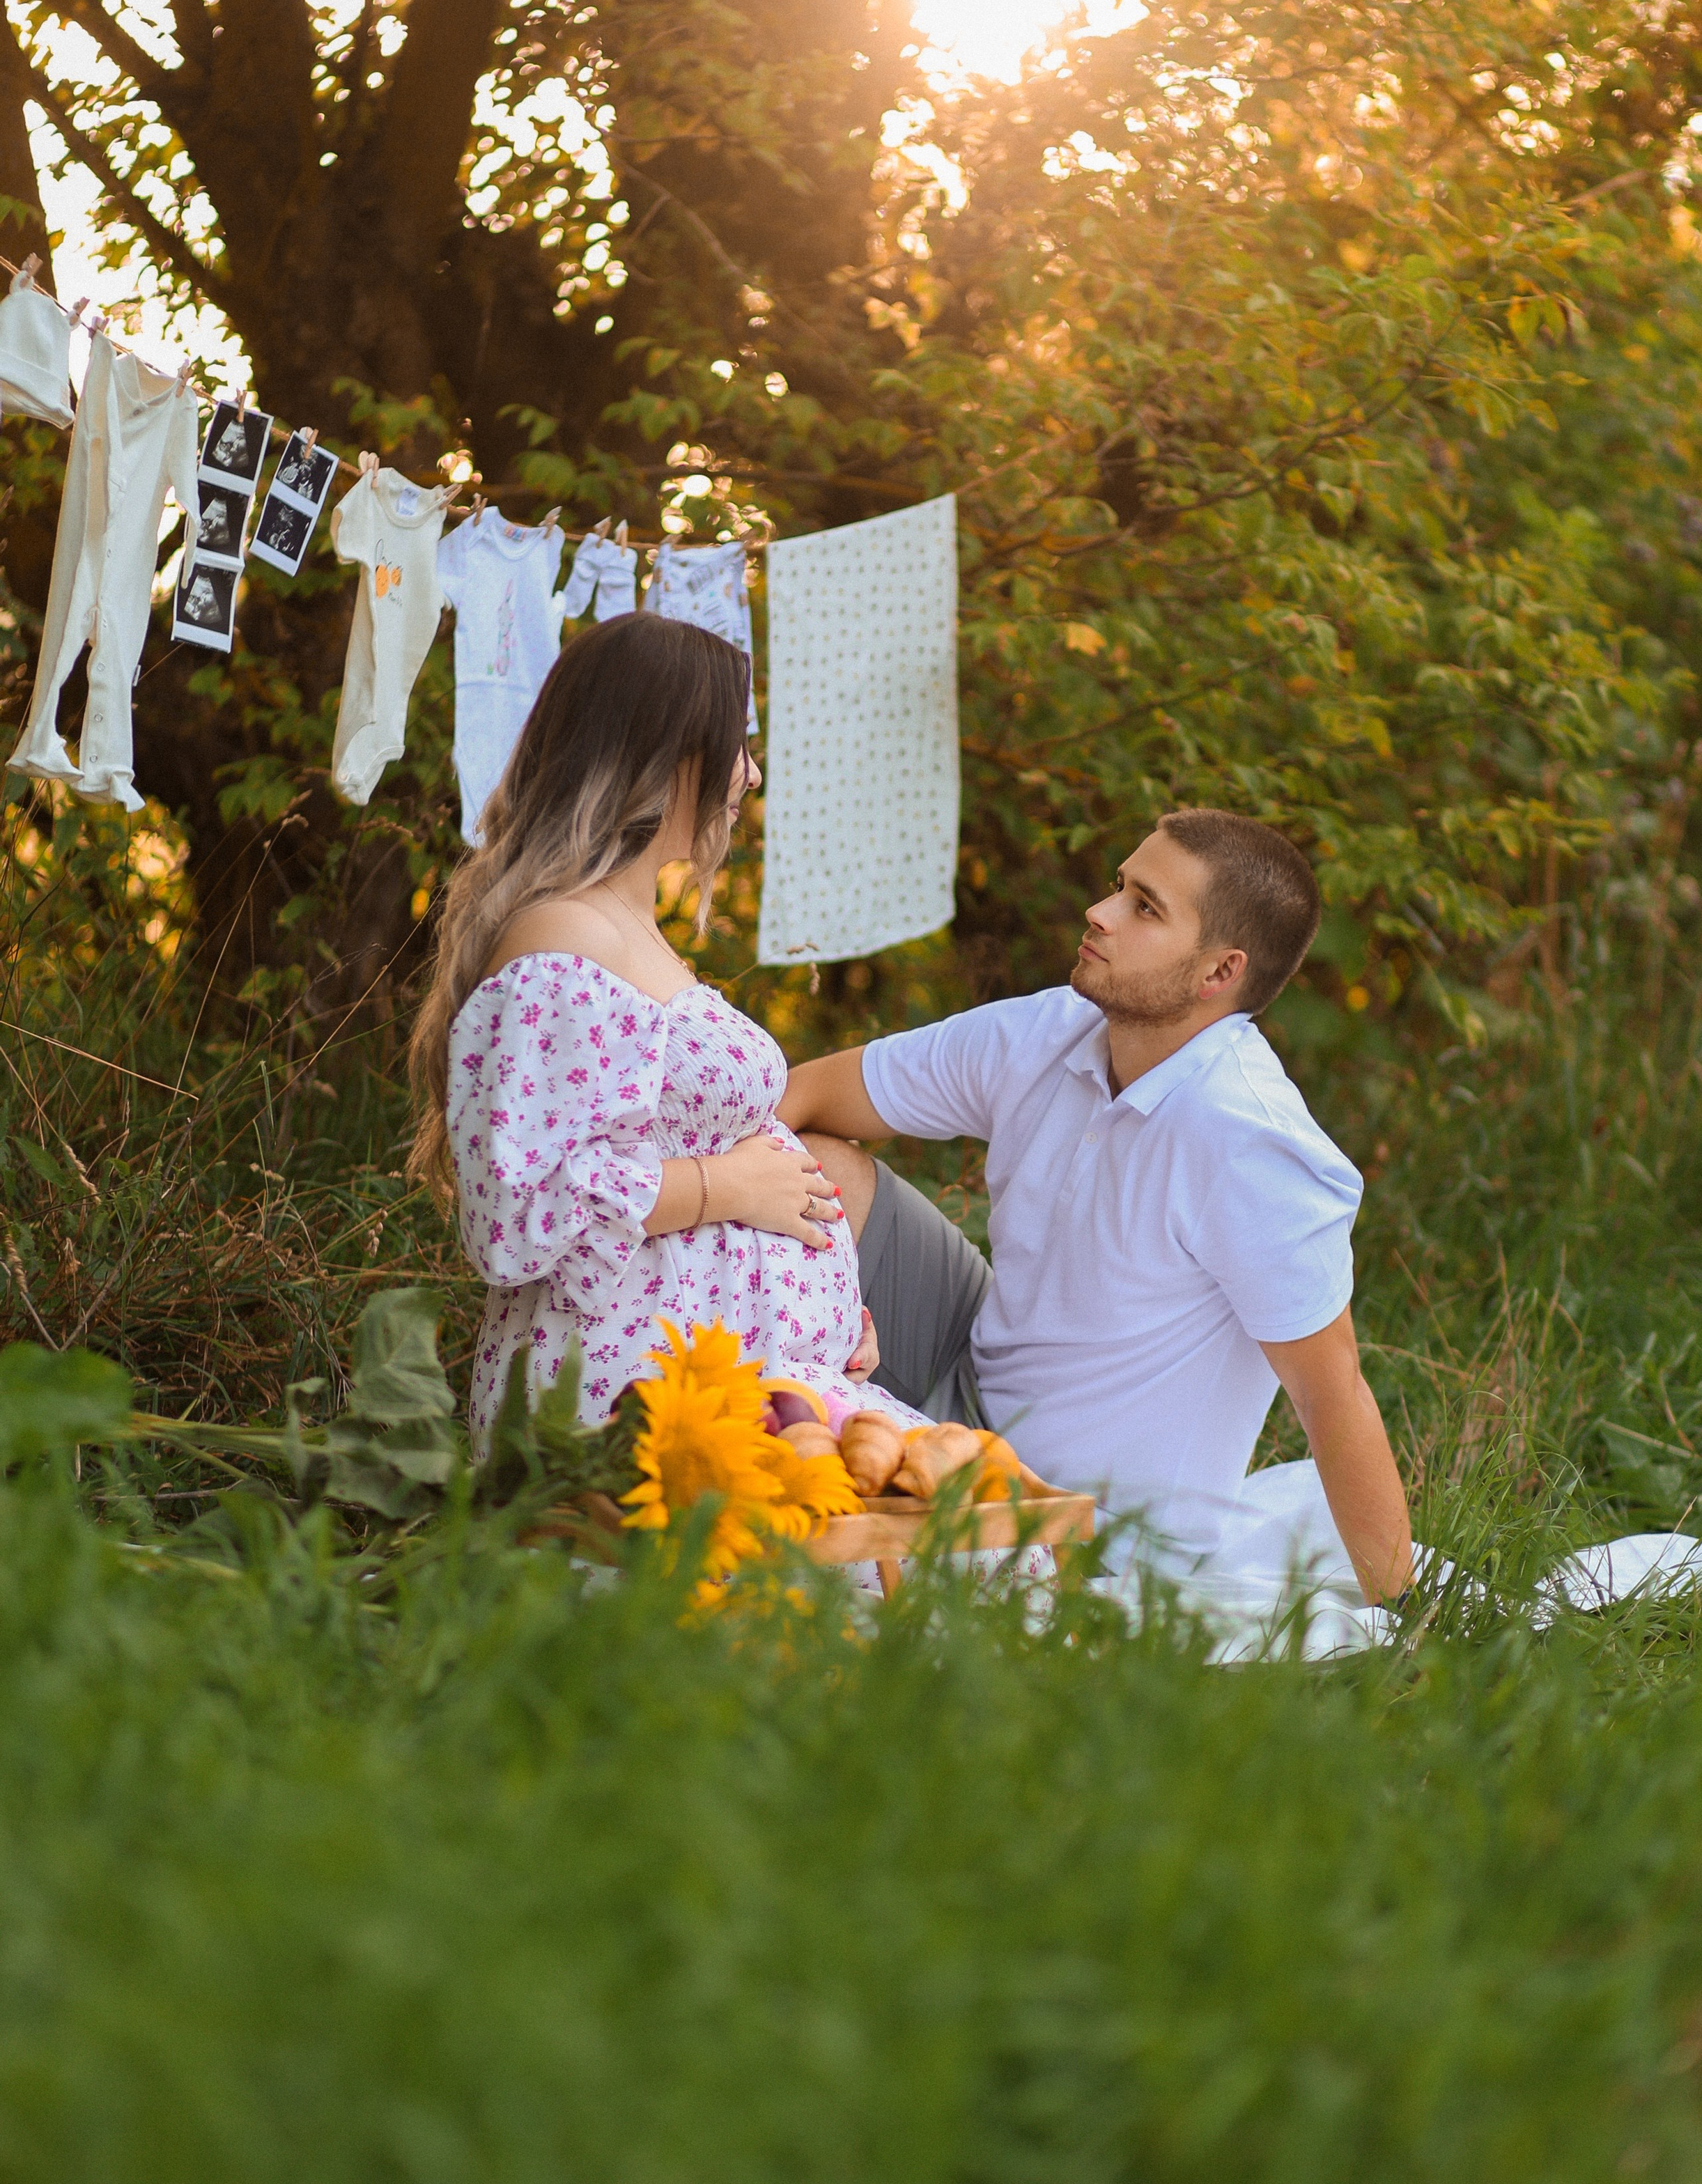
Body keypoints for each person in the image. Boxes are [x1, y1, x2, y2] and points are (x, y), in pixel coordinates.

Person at [778, 810, 1414, 1603]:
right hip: (967, 1376)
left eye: (1144, 907)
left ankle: (770, 1429)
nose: (1100, 912)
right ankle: (666, 1398)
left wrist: (1402, 1612)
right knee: (807, 1164)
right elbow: (800, 1095)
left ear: (1219, 973)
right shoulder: (1053, 1030)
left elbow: (1333, 1392)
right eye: (1119, 887)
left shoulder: (1253, 1147)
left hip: (1087, 1521)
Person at [407, 612, 911, 1443]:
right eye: (736, 746)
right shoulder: (563, 939)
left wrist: (820, 1311)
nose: (750, 774)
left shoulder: (628, 934)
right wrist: (735, 1189)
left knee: (985, 1535)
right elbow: (519, 1211)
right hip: (629, 1409)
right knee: (982, 1548)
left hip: (747, 1379)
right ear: (671, 757)